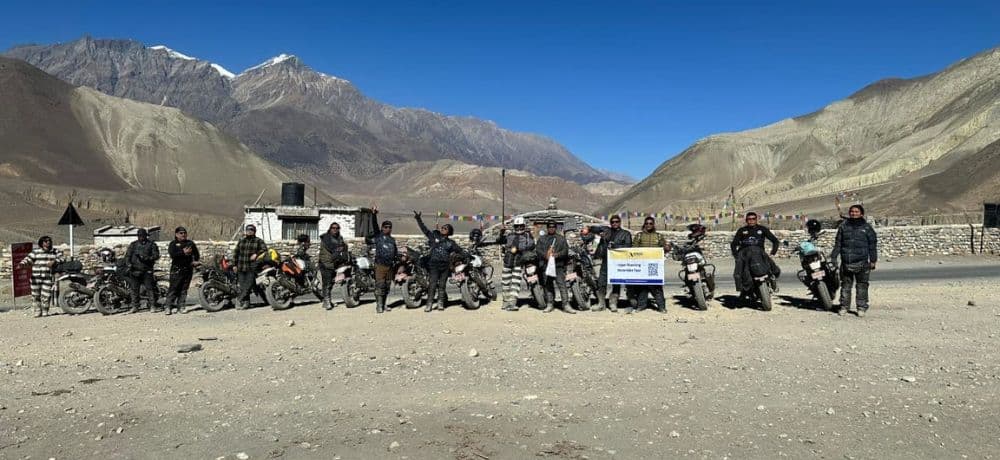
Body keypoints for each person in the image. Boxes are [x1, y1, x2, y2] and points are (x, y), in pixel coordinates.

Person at [830, 204, 878, 317]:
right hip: (846, 262)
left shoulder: (867, 228)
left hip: (862, 262)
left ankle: (861, 308)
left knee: (862, 286)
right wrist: (833, 257)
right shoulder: (843, 227)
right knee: (846, 286)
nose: (854, 213)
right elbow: (838, 244)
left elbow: (872, 245)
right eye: (852, 211)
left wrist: (873, 260)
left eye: (856, 211)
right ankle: (844, 307)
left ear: (861, 214)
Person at [414, 211, 461, 312]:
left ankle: (440, 303)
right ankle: (429, 304)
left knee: (442, 285)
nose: (442, 229)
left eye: (445, 228)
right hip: (433, 265)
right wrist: (418, 219)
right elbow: (425, 230)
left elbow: (460, 250)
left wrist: (466, 255)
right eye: (442, 227)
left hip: (445, 266)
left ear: (449, 232)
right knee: (432, 284)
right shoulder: (434, 237)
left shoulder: (451, 243)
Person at [730, 212, 781, 296]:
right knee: (740, 270)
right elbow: (733, 244)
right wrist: (736, 255)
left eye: (753, 219)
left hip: (759, 253)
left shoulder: (762, 229)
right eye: (749, 219)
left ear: (756, 219)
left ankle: (772, 277)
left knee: (771, 265)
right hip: (744, 254)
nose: (751, 221)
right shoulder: (742, 230)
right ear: (746, 220)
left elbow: (775, 240)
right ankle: (743, 289)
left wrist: (773, 252)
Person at [18, 235, 64, 317]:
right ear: (41, 243)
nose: (48, 242)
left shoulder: (55, 251)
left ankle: (45, 311)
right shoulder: (35, 252)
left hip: (48, 276)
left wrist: (54, 261)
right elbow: (28, 259)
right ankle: (37, 311)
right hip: (36, 277)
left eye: (49, 241)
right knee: (35, 295)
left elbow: (63, 258)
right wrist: (22, 264)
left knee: (46, 295)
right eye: (46, 241)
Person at [593, 215, 632, 311]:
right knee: (601, 282)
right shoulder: (607, 231)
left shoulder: (626, 233)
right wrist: (599, 232)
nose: (615, 223)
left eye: (617, 221)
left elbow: (628, 246)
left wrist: (615, 245)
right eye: (613, 222)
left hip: (618, 262)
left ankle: (613, 303)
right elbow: (594, 229)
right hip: (606, 260)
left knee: (616, 283)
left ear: (620, 222)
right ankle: (601, 303)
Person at [631, 216, 668, 314]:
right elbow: (634, 249)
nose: (648, 225)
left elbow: (664, 247)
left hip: (654, 265)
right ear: (644, 224)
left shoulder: (659, 236)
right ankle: (641, 306)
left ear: (653, 225)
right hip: (642, 264)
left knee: (656, 287)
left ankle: (661, 307)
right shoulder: (639, 236)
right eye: (647, 223)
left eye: (650, 223)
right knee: (642, 286)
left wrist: (667, 247)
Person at [536, 221, 575, 314]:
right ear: (547, 228)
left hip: (558, 266)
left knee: (562, 285)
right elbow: (538, 250)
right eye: (549, 227)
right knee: (548, 286)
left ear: (556, 228)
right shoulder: (542, 239)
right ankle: (550, 304)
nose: (551, 228)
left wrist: (557, 255)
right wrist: (545, 255)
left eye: (553, 227)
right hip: (546, 266)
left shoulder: (561, 239)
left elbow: (565, 251)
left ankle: (566, 305)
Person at [500, 217, 534, 311]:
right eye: (517, 226)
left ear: (524, 226)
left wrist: (518, 249)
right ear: (514, 227)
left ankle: (512, 303)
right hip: (507, 261)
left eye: (521, 226)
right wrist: (501, 232)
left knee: (515, 283)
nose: (519, 228)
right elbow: (499, 241)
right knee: (505, 282)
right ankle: (505, 302)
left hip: (518, 262)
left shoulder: (527, 236)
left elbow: (531, 245)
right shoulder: (509, 235)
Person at [165, 226, 200, 315]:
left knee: (184, 289)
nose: (183, 235)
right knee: (173, 288)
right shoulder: (173, 244)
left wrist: (195, 261)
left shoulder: (190, 243)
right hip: (176, 269)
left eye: (184, 233)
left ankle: (181, 306)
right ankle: (168, 306)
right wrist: (183, 252)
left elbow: (196, 254)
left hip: (188, 269)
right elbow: (173, 254)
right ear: (176, 234)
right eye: (181, 233)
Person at [365, 219, 398, 314]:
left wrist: (396, 259)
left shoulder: (392, 240)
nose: (388, 229)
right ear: (382, 228)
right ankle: (379, 306)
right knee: (380, 285)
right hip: (380, 265)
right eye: (385, 227)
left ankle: (384, 304)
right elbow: (375, 225)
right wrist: (373, 215)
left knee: (387, 286)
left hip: (390, 266)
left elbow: (395, 252)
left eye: (389, 227)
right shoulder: (379, 237)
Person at [231, 224, 267, 310]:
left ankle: (239, 299)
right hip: (241, 266)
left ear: (254, 231)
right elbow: (236, 253)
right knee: (243, 286)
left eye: (251, 230)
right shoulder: (241, 241)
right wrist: (234, 265)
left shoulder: (258, 241)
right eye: (248, 230)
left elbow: (264, 249)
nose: (249, 231)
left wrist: (256, 254)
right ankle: (246, 303)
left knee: (248, 285)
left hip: (252, 267)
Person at [126, 228, 160, 314]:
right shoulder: (133, 245)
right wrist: (129, 264)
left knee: (149, 288)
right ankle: (135, 306)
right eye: (139, 236)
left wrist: (146, 258)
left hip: (146, 270)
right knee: (134, 289)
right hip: (134, 270)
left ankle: (152, 305)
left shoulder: (151, 244)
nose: (141, 237)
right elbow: (127, 256)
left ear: (146, 236)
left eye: (142, 236)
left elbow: (156, 256)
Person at [318, 222, 350, 310]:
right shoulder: (326, 237)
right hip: (326, 263)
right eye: (333, 228)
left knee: (331, 283)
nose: (335, 229)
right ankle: (327, 301)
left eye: (337, 228)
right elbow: (333, 248)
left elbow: (344, 247)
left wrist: (342, 248)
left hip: (334, 264)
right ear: (330, 228)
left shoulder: (339, 238)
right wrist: (340, 248)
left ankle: (327, 300)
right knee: (327, 283)